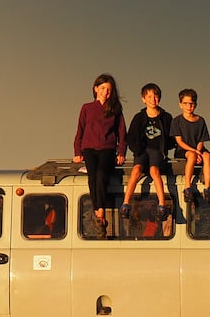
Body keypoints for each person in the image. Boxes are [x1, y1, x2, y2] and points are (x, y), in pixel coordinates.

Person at [73, 73, 126, 237]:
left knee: (102, 174)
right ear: (96, 89)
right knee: (92, 177)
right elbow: (80, 130)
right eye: (102, 88)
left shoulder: (115, 109)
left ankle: (99, 211)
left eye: (109, 89)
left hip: (107, 148)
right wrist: (77, 152)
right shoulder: (87, 108)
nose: (105, 92)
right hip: (88, 148)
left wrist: (122, 152)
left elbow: (122, 133)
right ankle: (99, 211)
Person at [122, 83, 173, 223]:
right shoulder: (139, 117)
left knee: (154, 171)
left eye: (156, 96)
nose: (153, 99)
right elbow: (130, 137)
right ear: (143, 99)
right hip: (142, 151)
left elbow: (173, 136)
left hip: (157, 150)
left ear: (160, 98)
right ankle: (126, 203)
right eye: (149, 96)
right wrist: (137, 150)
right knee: (136, 170)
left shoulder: (166, 117)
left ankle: (162, 204)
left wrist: (166, 147)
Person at [170, 88, 210, 205]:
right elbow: (179, 141)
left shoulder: (201, 120)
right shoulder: (177, 121)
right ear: (180, 104)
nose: (189, 106)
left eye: (191, 103)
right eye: (185, 103)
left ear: (195, 104)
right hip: (184, 150)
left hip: (198, 148)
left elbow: (201, 140)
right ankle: (187, 187)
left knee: (207, 156)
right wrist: (194, 151)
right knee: (191, 156)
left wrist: (198, 151)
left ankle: (208, 187)